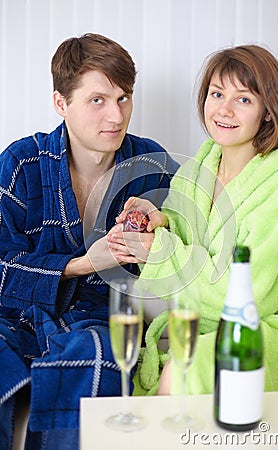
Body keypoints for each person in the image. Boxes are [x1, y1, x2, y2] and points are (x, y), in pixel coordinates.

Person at [107, 44, 278, 396]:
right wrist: (157, 221)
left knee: (182, 374)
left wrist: (160, 250)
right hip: (205, 325)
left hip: (268, 327)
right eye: (217, 93)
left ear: (268, 112)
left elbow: (251, 295)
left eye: (243, 99)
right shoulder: (202, 165)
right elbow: (188, 234)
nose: (224, 108)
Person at [0, 33, 179, 449]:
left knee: (99, 353)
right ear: (61, 103)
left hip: (96, 318)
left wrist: (160, 227)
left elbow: (187, 247)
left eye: (123, 98)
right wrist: (81, 263)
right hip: (14, 316)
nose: (115, 116)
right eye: (97, 100)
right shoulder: (20, 163)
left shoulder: (151, 164)